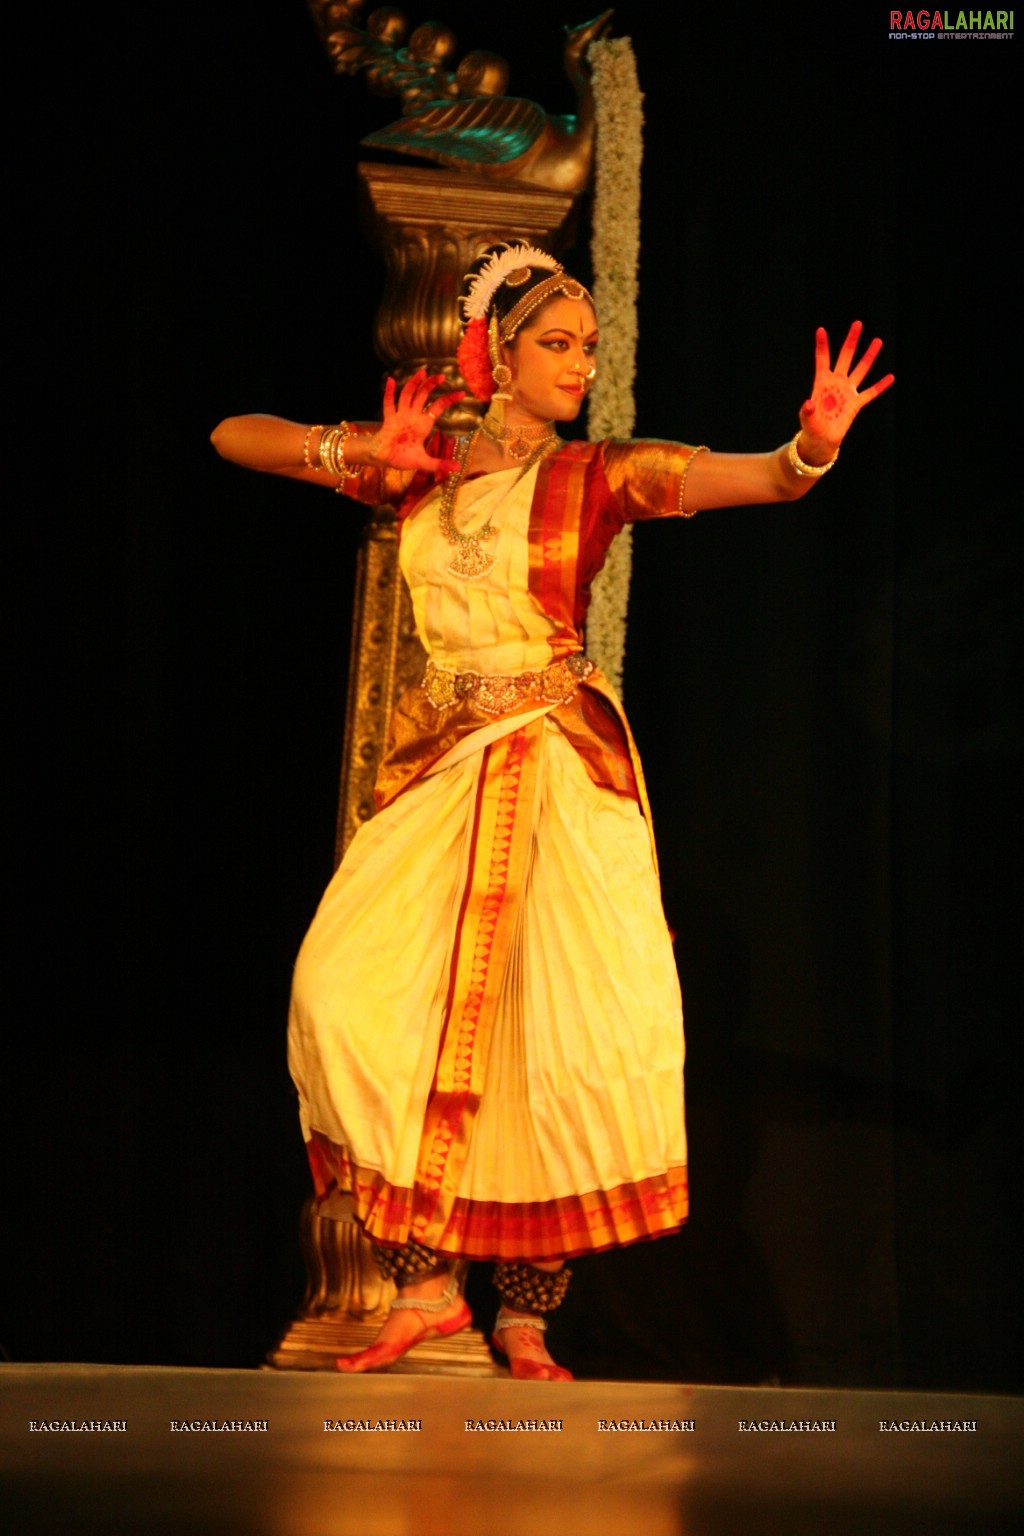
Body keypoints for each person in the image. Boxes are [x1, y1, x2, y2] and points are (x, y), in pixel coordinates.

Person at [211, 243, 893, 1382]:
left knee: (562, 1038)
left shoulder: (598, 476)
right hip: (440, 771)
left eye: (586, 346)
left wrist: (808, 447)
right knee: (343, 1001)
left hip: (557, 771)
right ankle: (428, 1289)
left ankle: (524, 1316)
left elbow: (760, 480)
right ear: (495, 355)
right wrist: (356, 452)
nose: (580, 365)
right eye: (557, 344)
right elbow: (234, 434)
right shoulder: (416, 467)